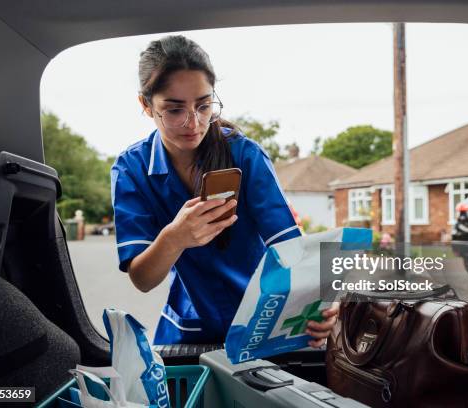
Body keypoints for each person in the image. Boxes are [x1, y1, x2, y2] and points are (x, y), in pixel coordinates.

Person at [111, 35, 338, 345]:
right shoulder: (130, 168)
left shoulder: (246, 155)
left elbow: (289, 248)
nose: (194, 122)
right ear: (146, 105)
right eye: (175, 110)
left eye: (204, 105)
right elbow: (143, 279)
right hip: (187, 332)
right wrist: (174, 237)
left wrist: (322, 303)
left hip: (264, 321)